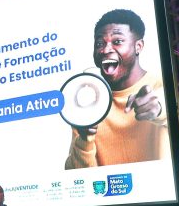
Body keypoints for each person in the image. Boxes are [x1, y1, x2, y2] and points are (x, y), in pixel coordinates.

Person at [64, 9, 169, 169]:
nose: (106, 50)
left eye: (117, 41)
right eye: (100, 43)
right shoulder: (87, 103)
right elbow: (78, 179)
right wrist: (85, 140)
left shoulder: (164, 86)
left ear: (138, 46)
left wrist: (160, 108)